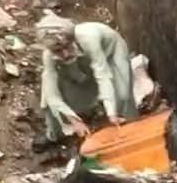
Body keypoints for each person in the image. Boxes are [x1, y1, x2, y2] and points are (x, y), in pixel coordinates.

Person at [36, 14, 137, 144]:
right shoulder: (49, 56)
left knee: (122, 95)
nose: (65, 54)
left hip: (110, 52)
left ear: (72, 39)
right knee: (53, 97)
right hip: (81, 57)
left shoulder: (89, 38)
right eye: (58, 51)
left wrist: (111, 113)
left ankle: (129, 127)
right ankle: (54, 134)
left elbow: (102, 74)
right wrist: (74, 120)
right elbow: (51, 94)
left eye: (67, 47)